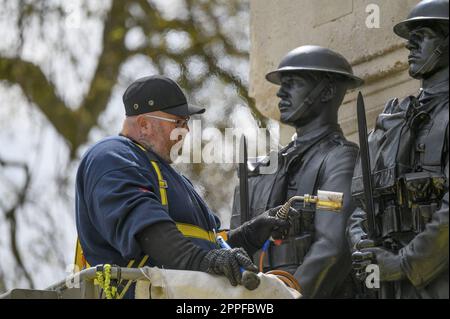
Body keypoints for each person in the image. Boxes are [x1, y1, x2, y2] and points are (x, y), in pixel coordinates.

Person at [75, 75, 292, 298]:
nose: (186, 131)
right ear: (144, 124)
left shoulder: (168, 175)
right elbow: (147, 229)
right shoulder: (111, 156)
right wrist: (203, 261)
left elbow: (208, 249)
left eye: (186, 123)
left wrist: (250, 235)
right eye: (178, 122)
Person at [231, 46, 364, 298]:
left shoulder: (339, 157)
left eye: (293, 84)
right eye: (282, 84)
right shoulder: (258, 170)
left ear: (326, 91)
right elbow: (234, 247)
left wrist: (287, 296)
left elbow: (332, 247)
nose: (281, 92)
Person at [348, 0, 449, 299]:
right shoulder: (392, 117)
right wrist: (360, 243)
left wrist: (405, 263)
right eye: (410, 37)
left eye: (424, 34)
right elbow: (360, 204)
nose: (410, 45)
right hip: (387, 281)